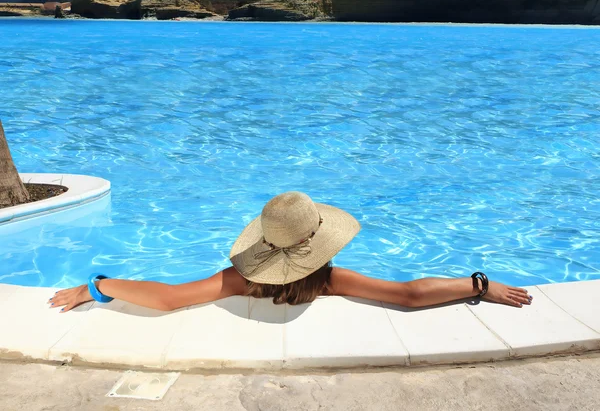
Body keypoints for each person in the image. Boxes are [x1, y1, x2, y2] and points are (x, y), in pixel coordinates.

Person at [48, 191, 533, 313]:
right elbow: (407, 295)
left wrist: (98, 286)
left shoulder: (241, 279)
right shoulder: (329, 278)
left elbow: (170, 297)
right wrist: (479, 285)